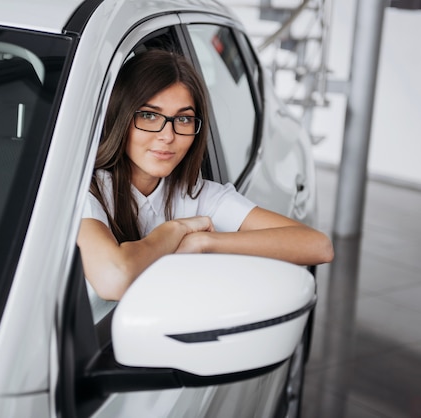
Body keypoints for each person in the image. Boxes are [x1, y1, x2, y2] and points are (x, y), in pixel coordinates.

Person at [78, 49, 333, 303]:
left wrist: (204, 242)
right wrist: (173, 230)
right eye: (149, 115)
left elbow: (319, 246)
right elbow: (113, 278)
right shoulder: (87, 194)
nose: (168, 136)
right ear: (120, 117)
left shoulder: (197, 195)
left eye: (184, 119)